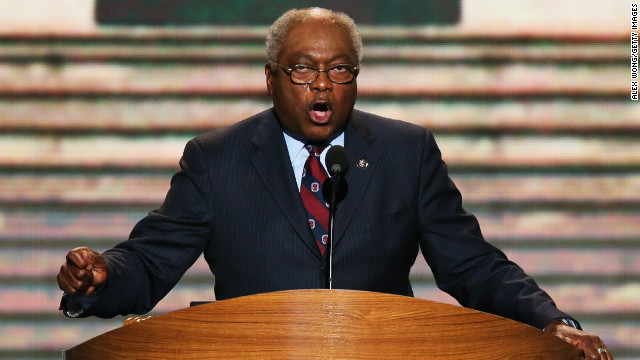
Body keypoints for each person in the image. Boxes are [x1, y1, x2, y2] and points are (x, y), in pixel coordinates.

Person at [57, 7, 612, 359]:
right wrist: (103, 276)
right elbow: (151, 262)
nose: (322, 83)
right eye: (303, 69)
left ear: (356, 79)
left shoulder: (405, 152)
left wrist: (551, 322)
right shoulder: (217, 158)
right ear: (271, 79)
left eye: (339, 69)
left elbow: (471, 264)